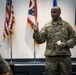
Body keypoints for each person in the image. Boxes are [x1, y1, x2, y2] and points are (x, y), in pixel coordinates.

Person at [32, 6, 76, 75]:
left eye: (55, 12)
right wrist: (36, 32)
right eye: (51, 12)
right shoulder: (47, 26)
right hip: (51, 58)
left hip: (64, 57)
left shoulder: (67, 26)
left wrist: (66, 43)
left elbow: (74, 39)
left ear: (60, 13)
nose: (52, 14)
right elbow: (40, 40)